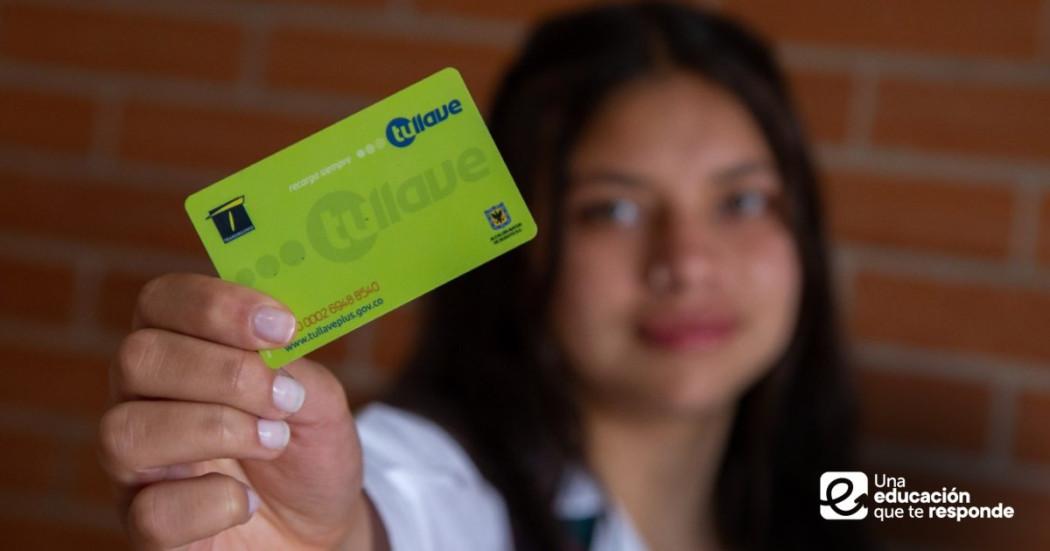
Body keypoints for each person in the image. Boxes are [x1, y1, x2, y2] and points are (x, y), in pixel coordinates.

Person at [98, 2, 871, 550]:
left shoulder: (830, 509)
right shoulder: (442, 482)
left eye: (742, 200)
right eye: (612, 210)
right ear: (520, 245)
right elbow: (385, 512)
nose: (688, 261)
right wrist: (330, 537)